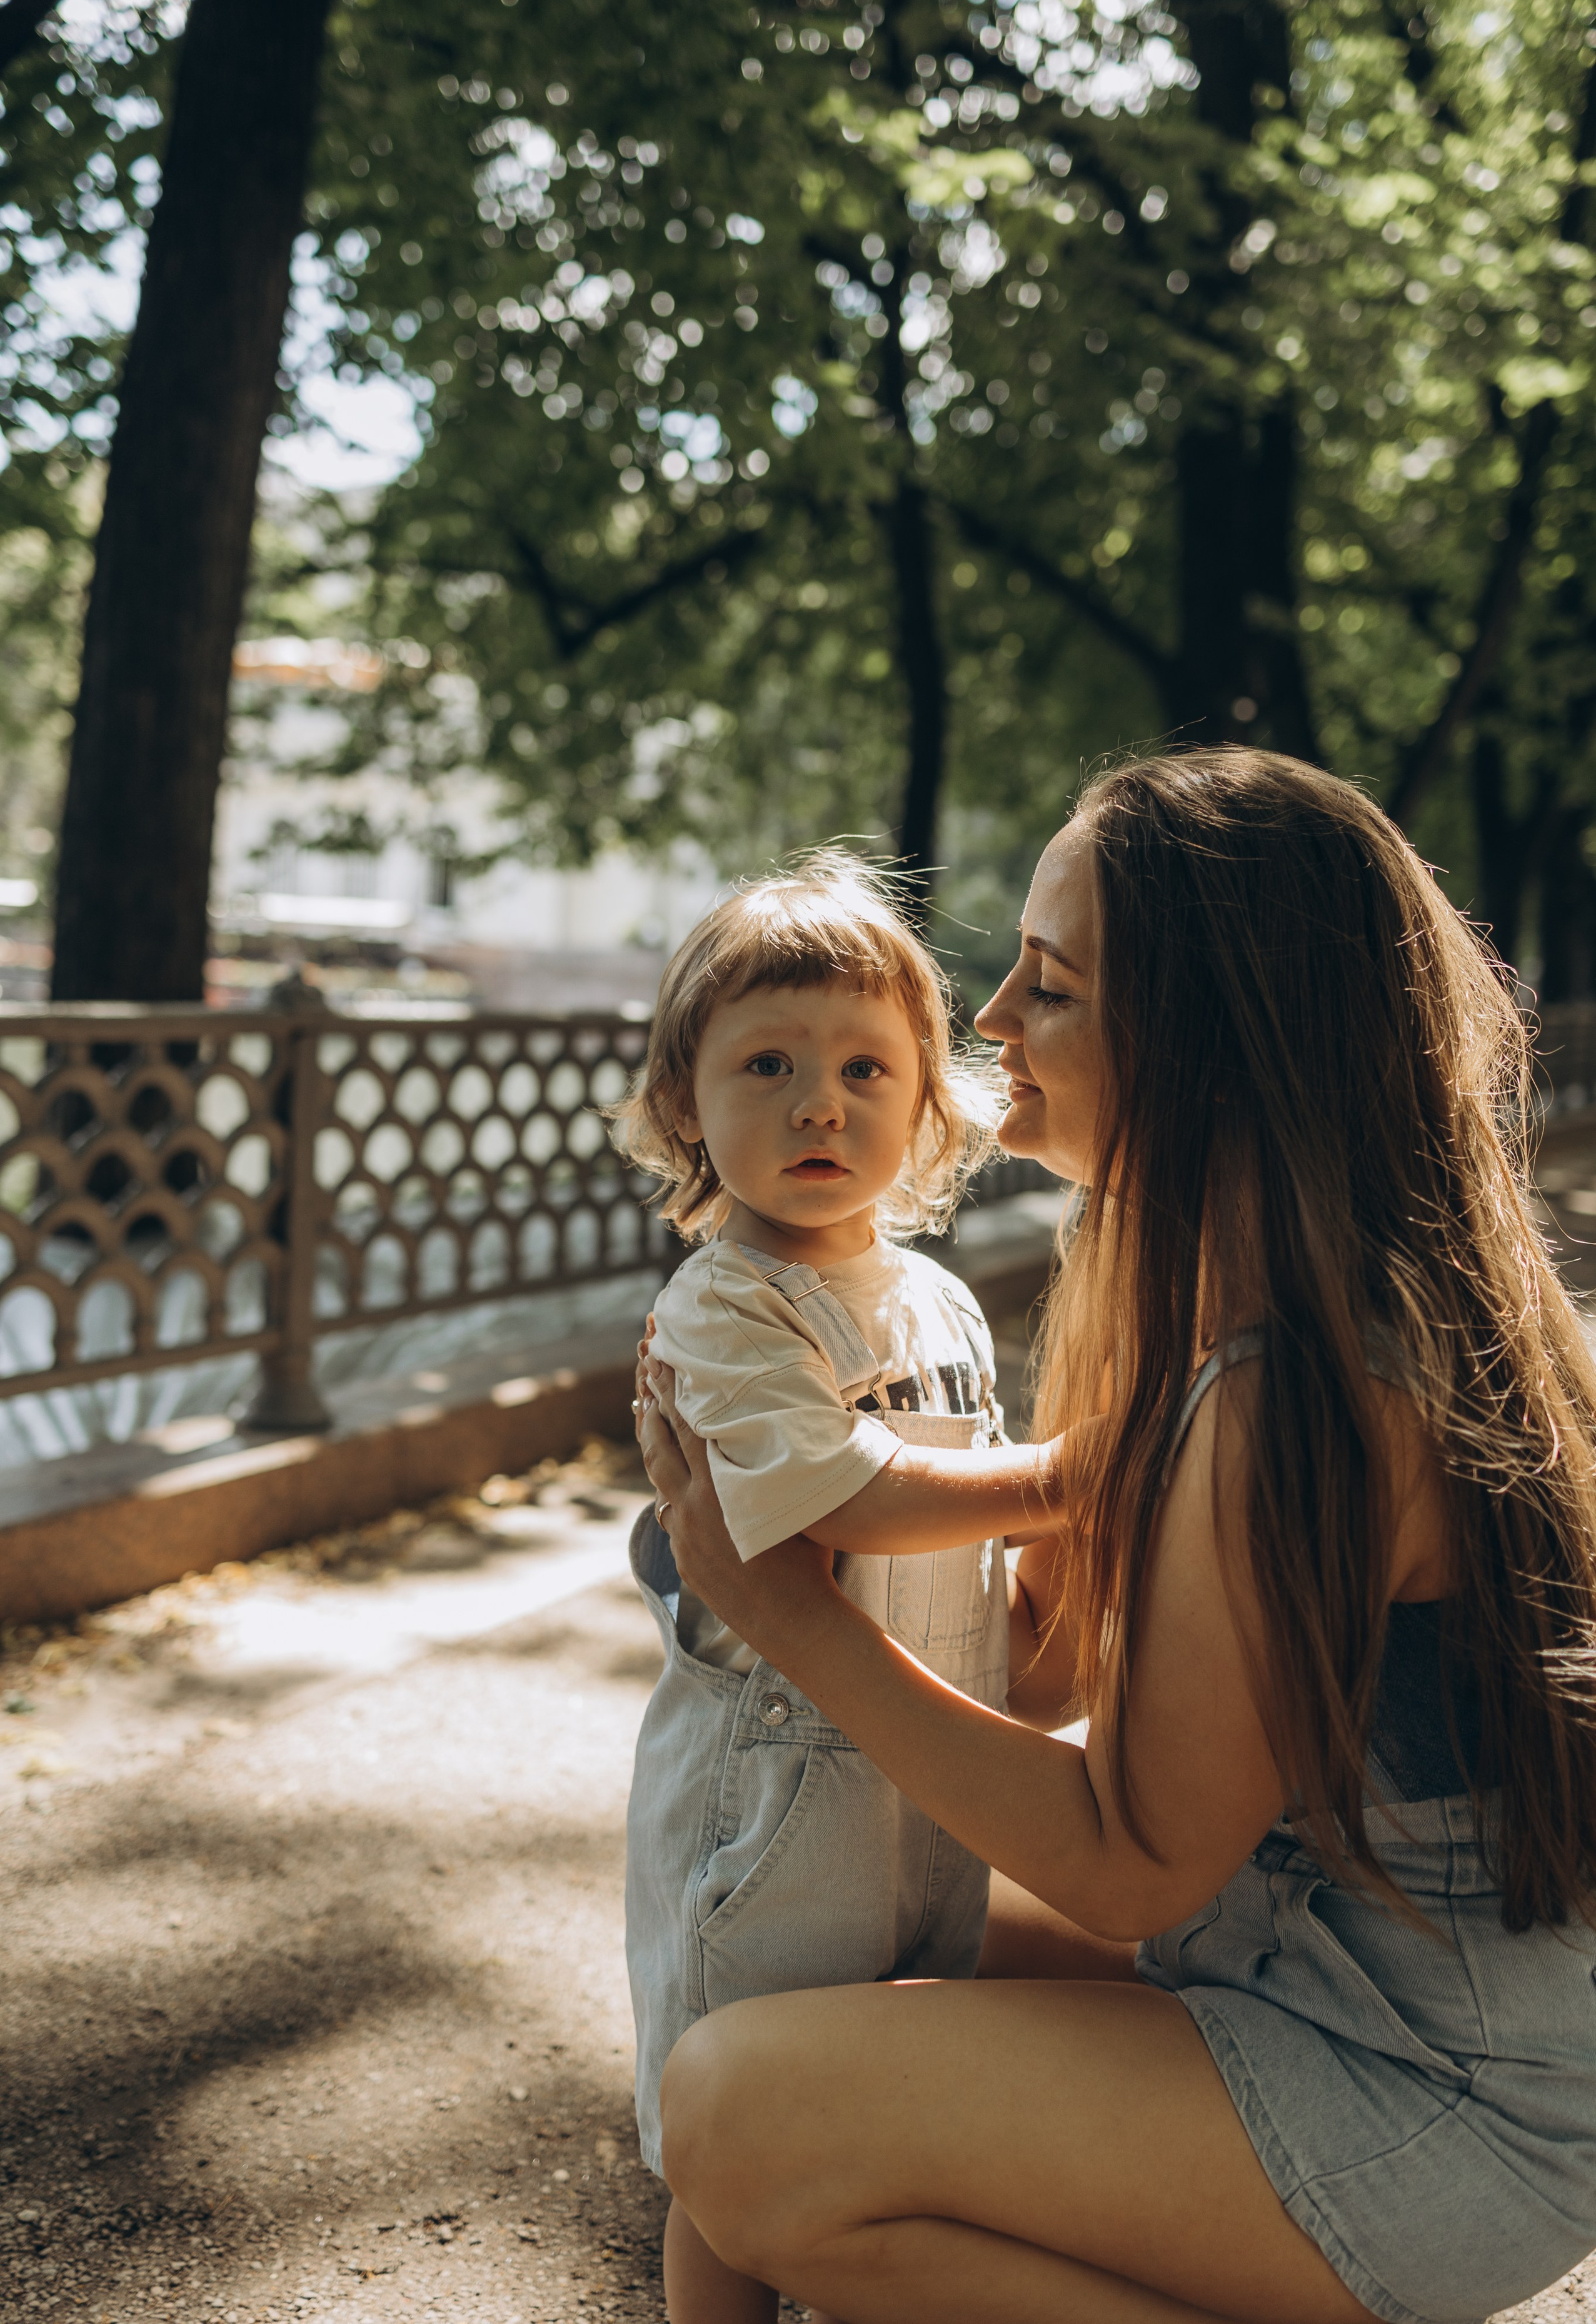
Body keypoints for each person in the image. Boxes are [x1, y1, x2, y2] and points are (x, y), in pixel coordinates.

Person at [636, 748, 1596, 2324]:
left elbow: (1128, 1866)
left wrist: (786, 1610)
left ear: (1212, 1042)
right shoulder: (1185, 1289)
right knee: (821, 1956)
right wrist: (788, 1530)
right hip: (1302, 1974)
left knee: (741, 2116)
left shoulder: (1302, 1386)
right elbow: (1029, 1685)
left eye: (1054, 986)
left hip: (1445, 2095)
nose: (990, 1024)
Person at [611, 855, 1070, 2324]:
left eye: (867, 1068)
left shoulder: (934, 1299)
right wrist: (1089, 1472)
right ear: (686, 1105)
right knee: (734, 2131)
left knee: (872, 2092)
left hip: (917, 1767)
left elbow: (965, 1539)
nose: (821, 1103)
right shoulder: (726, 1304)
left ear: (931, 1101)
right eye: (768, 1064)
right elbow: (850, 1492)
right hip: (773, 1793)